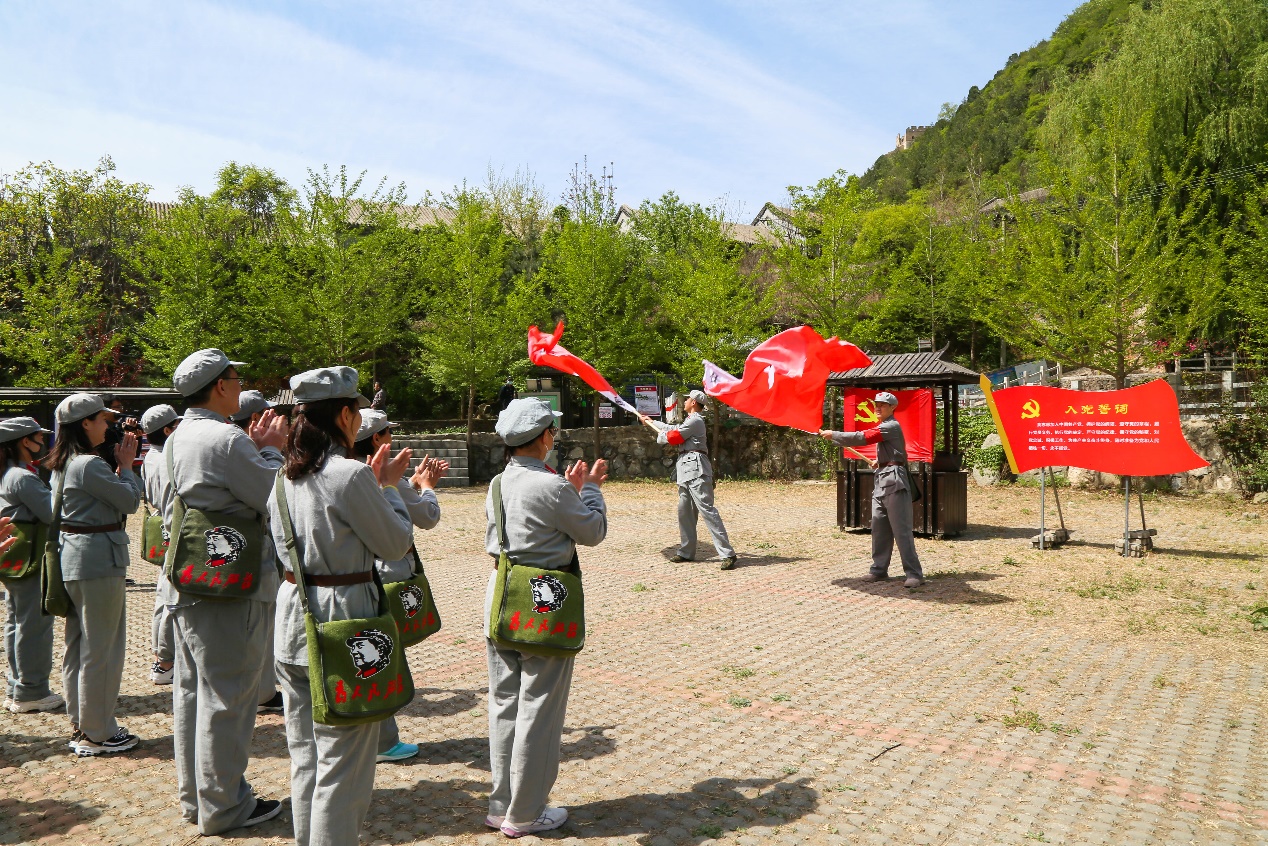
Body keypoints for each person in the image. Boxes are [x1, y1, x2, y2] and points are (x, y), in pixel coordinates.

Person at [267, 367, 416, 846]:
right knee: (343, 768)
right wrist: (389, 489)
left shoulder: (282, 478)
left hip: (292, 615)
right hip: (343, 619)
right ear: (347, 415)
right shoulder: (349, 474)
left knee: (307, 757)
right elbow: (395, 545)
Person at [165, 349, 288, 834]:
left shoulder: (181, 436)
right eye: (236, 378)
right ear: (219, 386)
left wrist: (251, 449)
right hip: (231, 583)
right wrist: (272, 450)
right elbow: (272, 496)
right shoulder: (226, 438)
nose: (240, 385)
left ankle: (198, 798)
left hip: (192, 576)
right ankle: (225, 806)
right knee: (229, 694)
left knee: (193, 693)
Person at [484, 397, 608, 838]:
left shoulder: (498, 484)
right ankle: (526, 812)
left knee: (505, 705)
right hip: (545, 605)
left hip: (502, 599)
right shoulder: (552, 487)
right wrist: (589, 489)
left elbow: (492, 545)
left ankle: (501, 803)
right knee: (540, 707)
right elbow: (592, 532)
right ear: (543, 437)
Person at [46, 393, 144, 755]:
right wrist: (128, 468)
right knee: (102, 649)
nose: (109, 426)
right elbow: (130, 502)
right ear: (85, 423)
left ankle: (83, 723)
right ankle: (99, 732)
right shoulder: (87, 464)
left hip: (75, 560)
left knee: (79, 646)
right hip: (98, 561)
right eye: (103, 420)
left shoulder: (64, 462)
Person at [351, 409, 449, 765]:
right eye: (388, 432)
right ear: (377, 439)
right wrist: (425, 488)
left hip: (344, 584)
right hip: (386, 579)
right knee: (384, 657)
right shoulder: (379, 478)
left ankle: (369, 734)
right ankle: (384, 741)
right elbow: (426, 517)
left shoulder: (336, 472)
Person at [818, 391, 924, 588]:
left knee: (901, 530)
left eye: (883, 405)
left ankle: (914, 573)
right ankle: (879, 570)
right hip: (882, 479)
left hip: (895, 481)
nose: (878, 407)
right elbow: (893, 452)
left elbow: (863, 437)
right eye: (876, 404)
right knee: (879, 526)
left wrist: (835, 435)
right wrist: (880, 461)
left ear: (893, 408)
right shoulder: (884, 426)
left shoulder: (891, 425)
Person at [229, 389, 285, 714]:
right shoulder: (243, 447)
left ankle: (264, 690)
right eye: (270, 414)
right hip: (250, 556)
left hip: (245, 553)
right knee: (257, 629)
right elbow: (272, 494)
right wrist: (272, 452)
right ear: (255, 419)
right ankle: (259, 693)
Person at [0, 417, 60, 714]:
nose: (43, 442)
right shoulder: (22, 477)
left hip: (15, 559)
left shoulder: (8, 474)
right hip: (31, 558)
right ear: (25, 441)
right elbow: (51, 513)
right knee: (34, 624)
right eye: (39, 437)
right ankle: (32, 690)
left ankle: (17, 687)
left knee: (17, 622)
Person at [638, 389, 736, 570]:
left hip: (697, 469)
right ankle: (686, 551)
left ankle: (727, 553)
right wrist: (652, 422)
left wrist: (659, 434)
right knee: (685, 513)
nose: (684, 402)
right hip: (685, 469)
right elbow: (674, 429)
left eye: (687, 399)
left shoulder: (696, 420)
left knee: (707, 510)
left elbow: (675, 437)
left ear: (693, 403)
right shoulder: (690, 421)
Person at [138, 404, 181, 686]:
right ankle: (165, 662)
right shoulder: (168, 459)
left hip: (166, 529)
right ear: (167, 430)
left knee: (162, 596)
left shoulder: (149, 458)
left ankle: (162, 659)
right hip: (176, 531)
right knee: (171, 599)